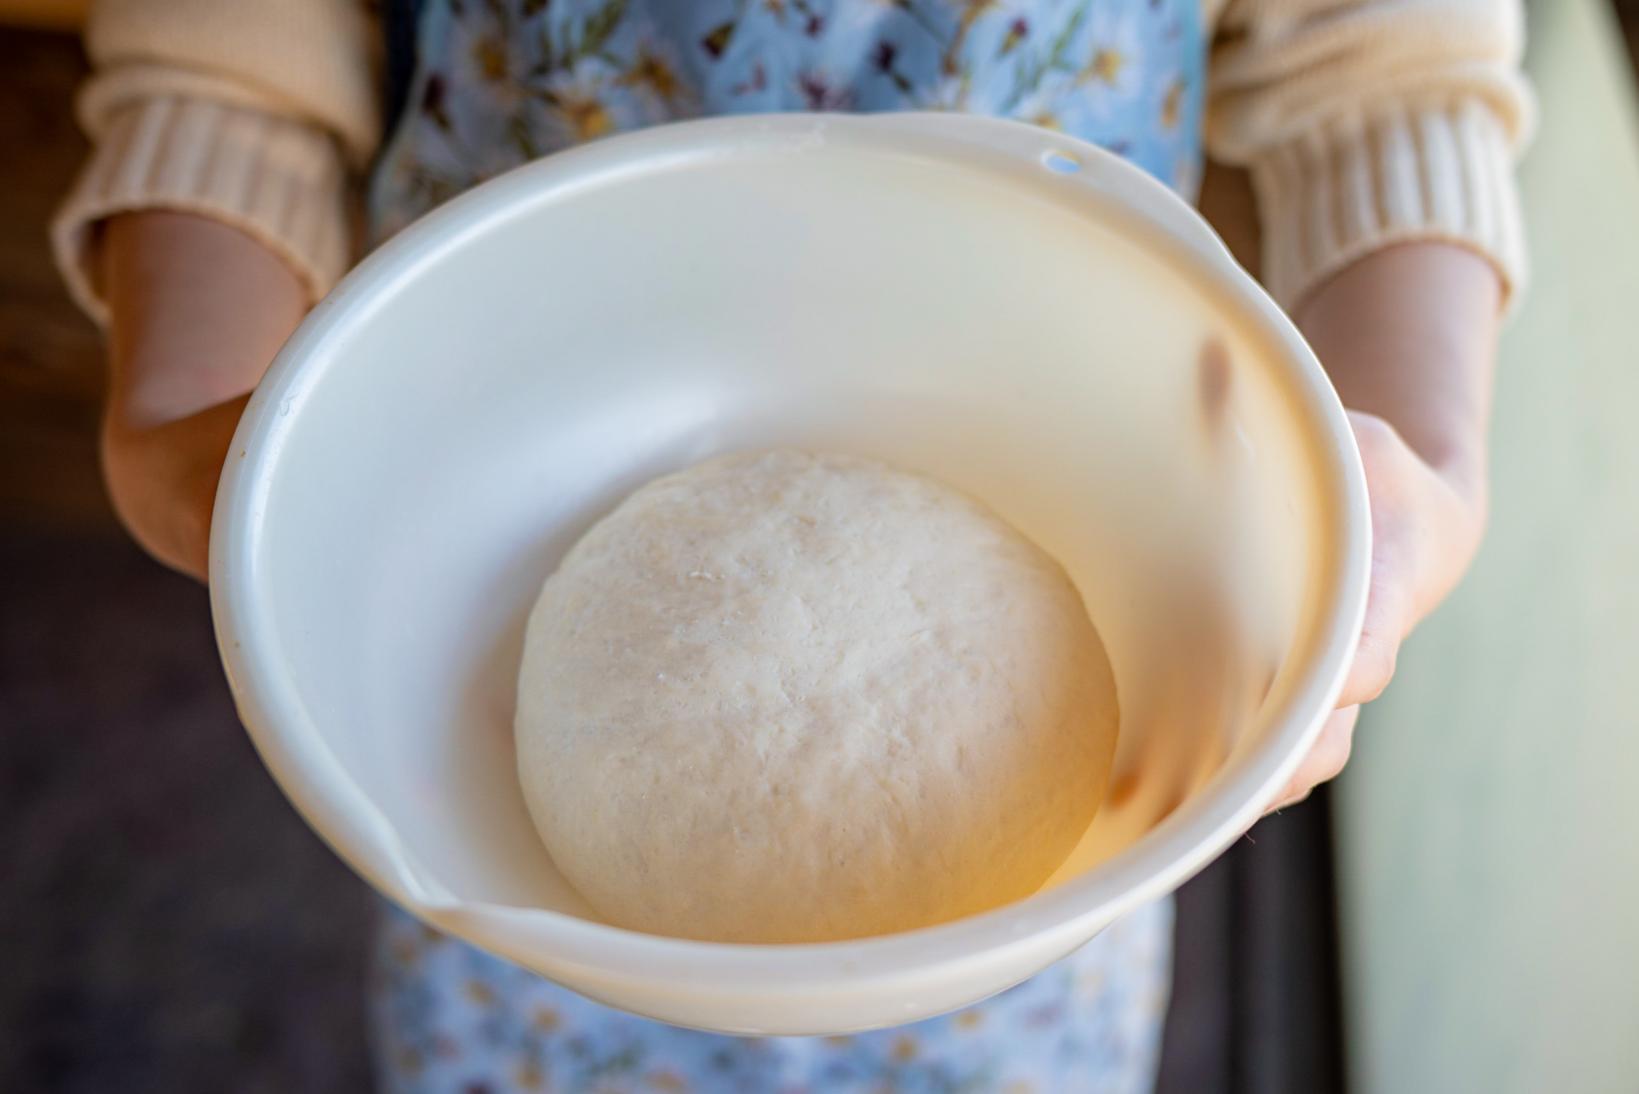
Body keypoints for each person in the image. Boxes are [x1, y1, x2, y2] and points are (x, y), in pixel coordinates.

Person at [53, 0, 1530, 1089]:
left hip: (1038, 920)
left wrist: (1420, 466)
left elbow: (1383, 80)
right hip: (497, 807)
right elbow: (226, 69)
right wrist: (196, 411)